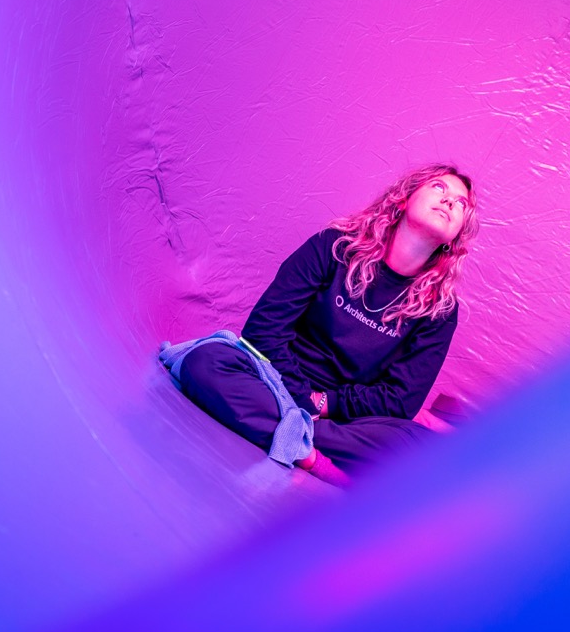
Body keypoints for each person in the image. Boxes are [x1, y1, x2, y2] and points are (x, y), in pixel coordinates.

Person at [177, 163, 479, 486]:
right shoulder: (334, 247)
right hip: (272, 383)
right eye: (439, 188)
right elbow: (263, 331)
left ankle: (298, 437)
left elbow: (400, 400)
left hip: (342, 421)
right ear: (403, 199)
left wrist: (328, 404)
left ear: (455, 238)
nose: (450, 202)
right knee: (205, 362)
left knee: (422, 447)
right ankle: (311, 454)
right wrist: (302, 396)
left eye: (461, 204)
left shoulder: (441, 311)